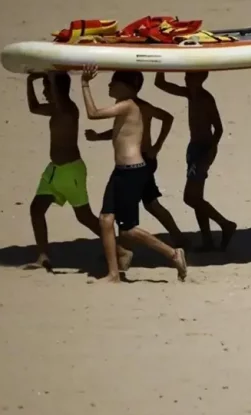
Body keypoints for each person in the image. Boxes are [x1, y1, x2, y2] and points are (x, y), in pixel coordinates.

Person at [80, 65, 187, 282]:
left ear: (127, 87)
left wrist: (84, 83)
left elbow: (93, 113)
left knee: (127, 230)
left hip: (131, 172)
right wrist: (99, 137)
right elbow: (123, 132)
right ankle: (113, 274)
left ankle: (173, 254)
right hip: (122, 170)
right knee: (106, 220)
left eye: (113, 82)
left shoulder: (126, 105)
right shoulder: (138, 106)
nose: (109, 85)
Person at [25, 71, 132, 272]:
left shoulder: (68, 108)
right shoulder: (56, 109)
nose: (45, 92)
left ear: (58, 89)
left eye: (47, 88)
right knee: (36, 209)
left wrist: (52, 76)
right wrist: (31, 81)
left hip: (71, 171)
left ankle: (120, 250)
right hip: (54, 170)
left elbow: (57, 96)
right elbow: (34, 107)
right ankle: (43, 256)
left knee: (84, 217)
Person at [154, 71, 237, 251]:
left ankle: (226, 224)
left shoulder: (206, 98)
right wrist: (161, 64)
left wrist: (210, 151)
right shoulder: (189, 94)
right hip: (193, 148)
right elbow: (160, 84)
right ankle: (207, 239)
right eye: (186, 75)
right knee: (197, 197)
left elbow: (219, 128)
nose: (186, 77)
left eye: (190, 75)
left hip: (203, 150)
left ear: (201, 78)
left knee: (189, 197)